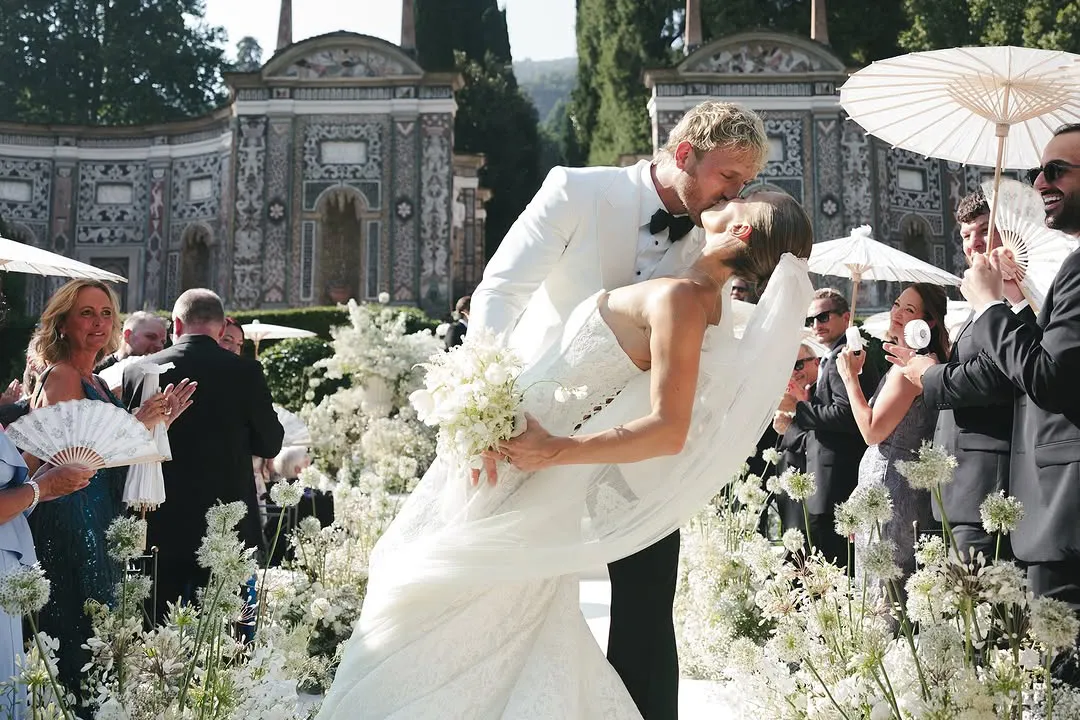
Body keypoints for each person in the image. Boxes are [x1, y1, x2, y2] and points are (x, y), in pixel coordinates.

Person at [317, 192, 814, 720]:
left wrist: (554, 450)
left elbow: (669, 430)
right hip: (510, 460)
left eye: (744, 199)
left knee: (428, 599)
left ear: (739, 234)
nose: (731, 195)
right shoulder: (701, 300)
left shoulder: (684, 301)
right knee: (466, 614)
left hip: (527, 469)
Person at [466, 100, 768, 719]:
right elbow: (500, 291)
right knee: (508, 590)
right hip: (533, 426)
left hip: (634, 450)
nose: (735, 195)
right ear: (685, 155)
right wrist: (488, 406)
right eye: (728, 178)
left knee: (649, 600)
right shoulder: (575, 190)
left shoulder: (712, 248)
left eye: (743, 183)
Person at [898, 124, 1080, 616]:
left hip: (1025, 491)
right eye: (1039, 171)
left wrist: (933, 371)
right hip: (996, 488)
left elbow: (1024, 375)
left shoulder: (1060, 277)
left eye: (1057, 171)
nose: (1042, 183)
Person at [22, 280, 193, 696]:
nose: (99, 323)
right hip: (68, 523)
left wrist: (157, 424)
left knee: (105, 634)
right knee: (77, 632)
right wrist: (137, 422)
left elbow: (114, 455)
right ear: (61, 324)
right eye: (86, 313)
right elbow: (75, 457)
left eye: (105, 313)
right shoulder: (61, 376)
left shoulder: (96, 382)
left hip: (103, 521)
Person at [123, 289, 283, 623]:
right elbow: (270, 445)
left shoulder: (140, 370)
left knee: (155, 637)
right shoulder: (246, 372)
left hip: (158, 522)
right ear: (222, 325)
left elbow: (128, 445)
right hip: (227, 524)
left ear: (176, 324)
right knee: (226, 639)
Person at [888, 191, 1032, 561]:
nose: (974, 243)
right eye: (966, 235)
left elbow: (995, 377)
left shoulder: (1020, 307)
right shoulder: (981, 309)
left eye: (984, 231)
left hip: (988, 486)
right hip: (958, 486)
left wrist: (931, 374)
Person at [835, 284, 946, 589]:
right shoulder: (914, 365)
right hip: (891, 488)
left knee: (881, 592)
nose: (897, 313)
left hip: (892, 495)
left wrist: (850, 379)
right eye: (897, 304)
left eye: (909, 310)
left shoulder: (910, 370)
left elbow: (872, 431)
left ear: (929, 322)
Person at [781, 289, 880, 567]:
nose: (816, 324)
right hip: (823, 480)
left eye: (823, 316)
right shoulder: (832, 358)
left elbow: (845, 415)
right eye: (811, 319)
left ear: (846, 317)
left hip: (836, 481)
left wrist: (802, 405)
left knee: (834, 565)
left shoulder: (845, 358)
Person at [773, 341, 823, 534]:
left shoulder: (822, 395)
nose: (793, 372)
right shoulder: (786, 398)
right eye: (787, 367)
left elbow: (822, 443)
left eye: (798, 364)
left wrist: (789, 428)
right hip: (793, 505)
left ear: (816, 363)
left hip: (814, 500)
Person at [95, 310, 168, 372]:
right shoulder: (97, 371)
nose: (159, 346)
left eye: (162, 342)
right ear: (127, 335)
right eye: (151, 337)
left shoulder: (159, 374)